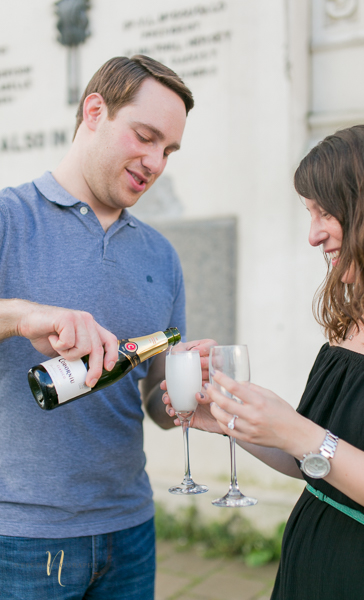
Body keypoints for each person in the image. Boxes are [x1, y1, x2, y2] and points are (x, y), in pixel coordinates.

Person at [0, 54, 213, 599]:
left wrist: (187, 395)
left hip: (130, 531)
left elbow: (154, 408)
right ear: (95, 111)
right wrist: (26, 316)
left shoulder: (161, 256)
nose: (156, 161)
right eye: (145, 136)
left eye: (168, 150)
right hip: (19, 539)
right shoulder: (8, 218)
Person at [163, 124, 364, 599]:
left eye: (326, 213)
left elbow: (316, 445)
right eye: (309, 214)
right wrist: (233, 422)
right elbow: (313, 463)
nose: (313, 235)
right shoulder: (352, 324)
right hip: (311, 566)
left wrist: (302, 432)